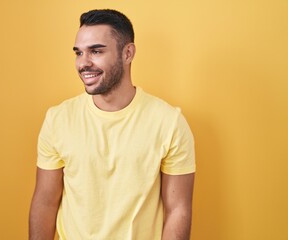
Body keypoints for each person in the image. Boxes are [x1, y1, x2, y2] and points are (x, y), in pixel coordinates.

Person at [29, 9, 195, 240]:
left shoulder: (169, 122)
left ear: (128, 53)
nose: (83, 63)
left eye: (96, 51)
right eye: (79, 53)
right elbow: (45, 202)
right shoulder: (58, 119)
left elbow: (178, 209)